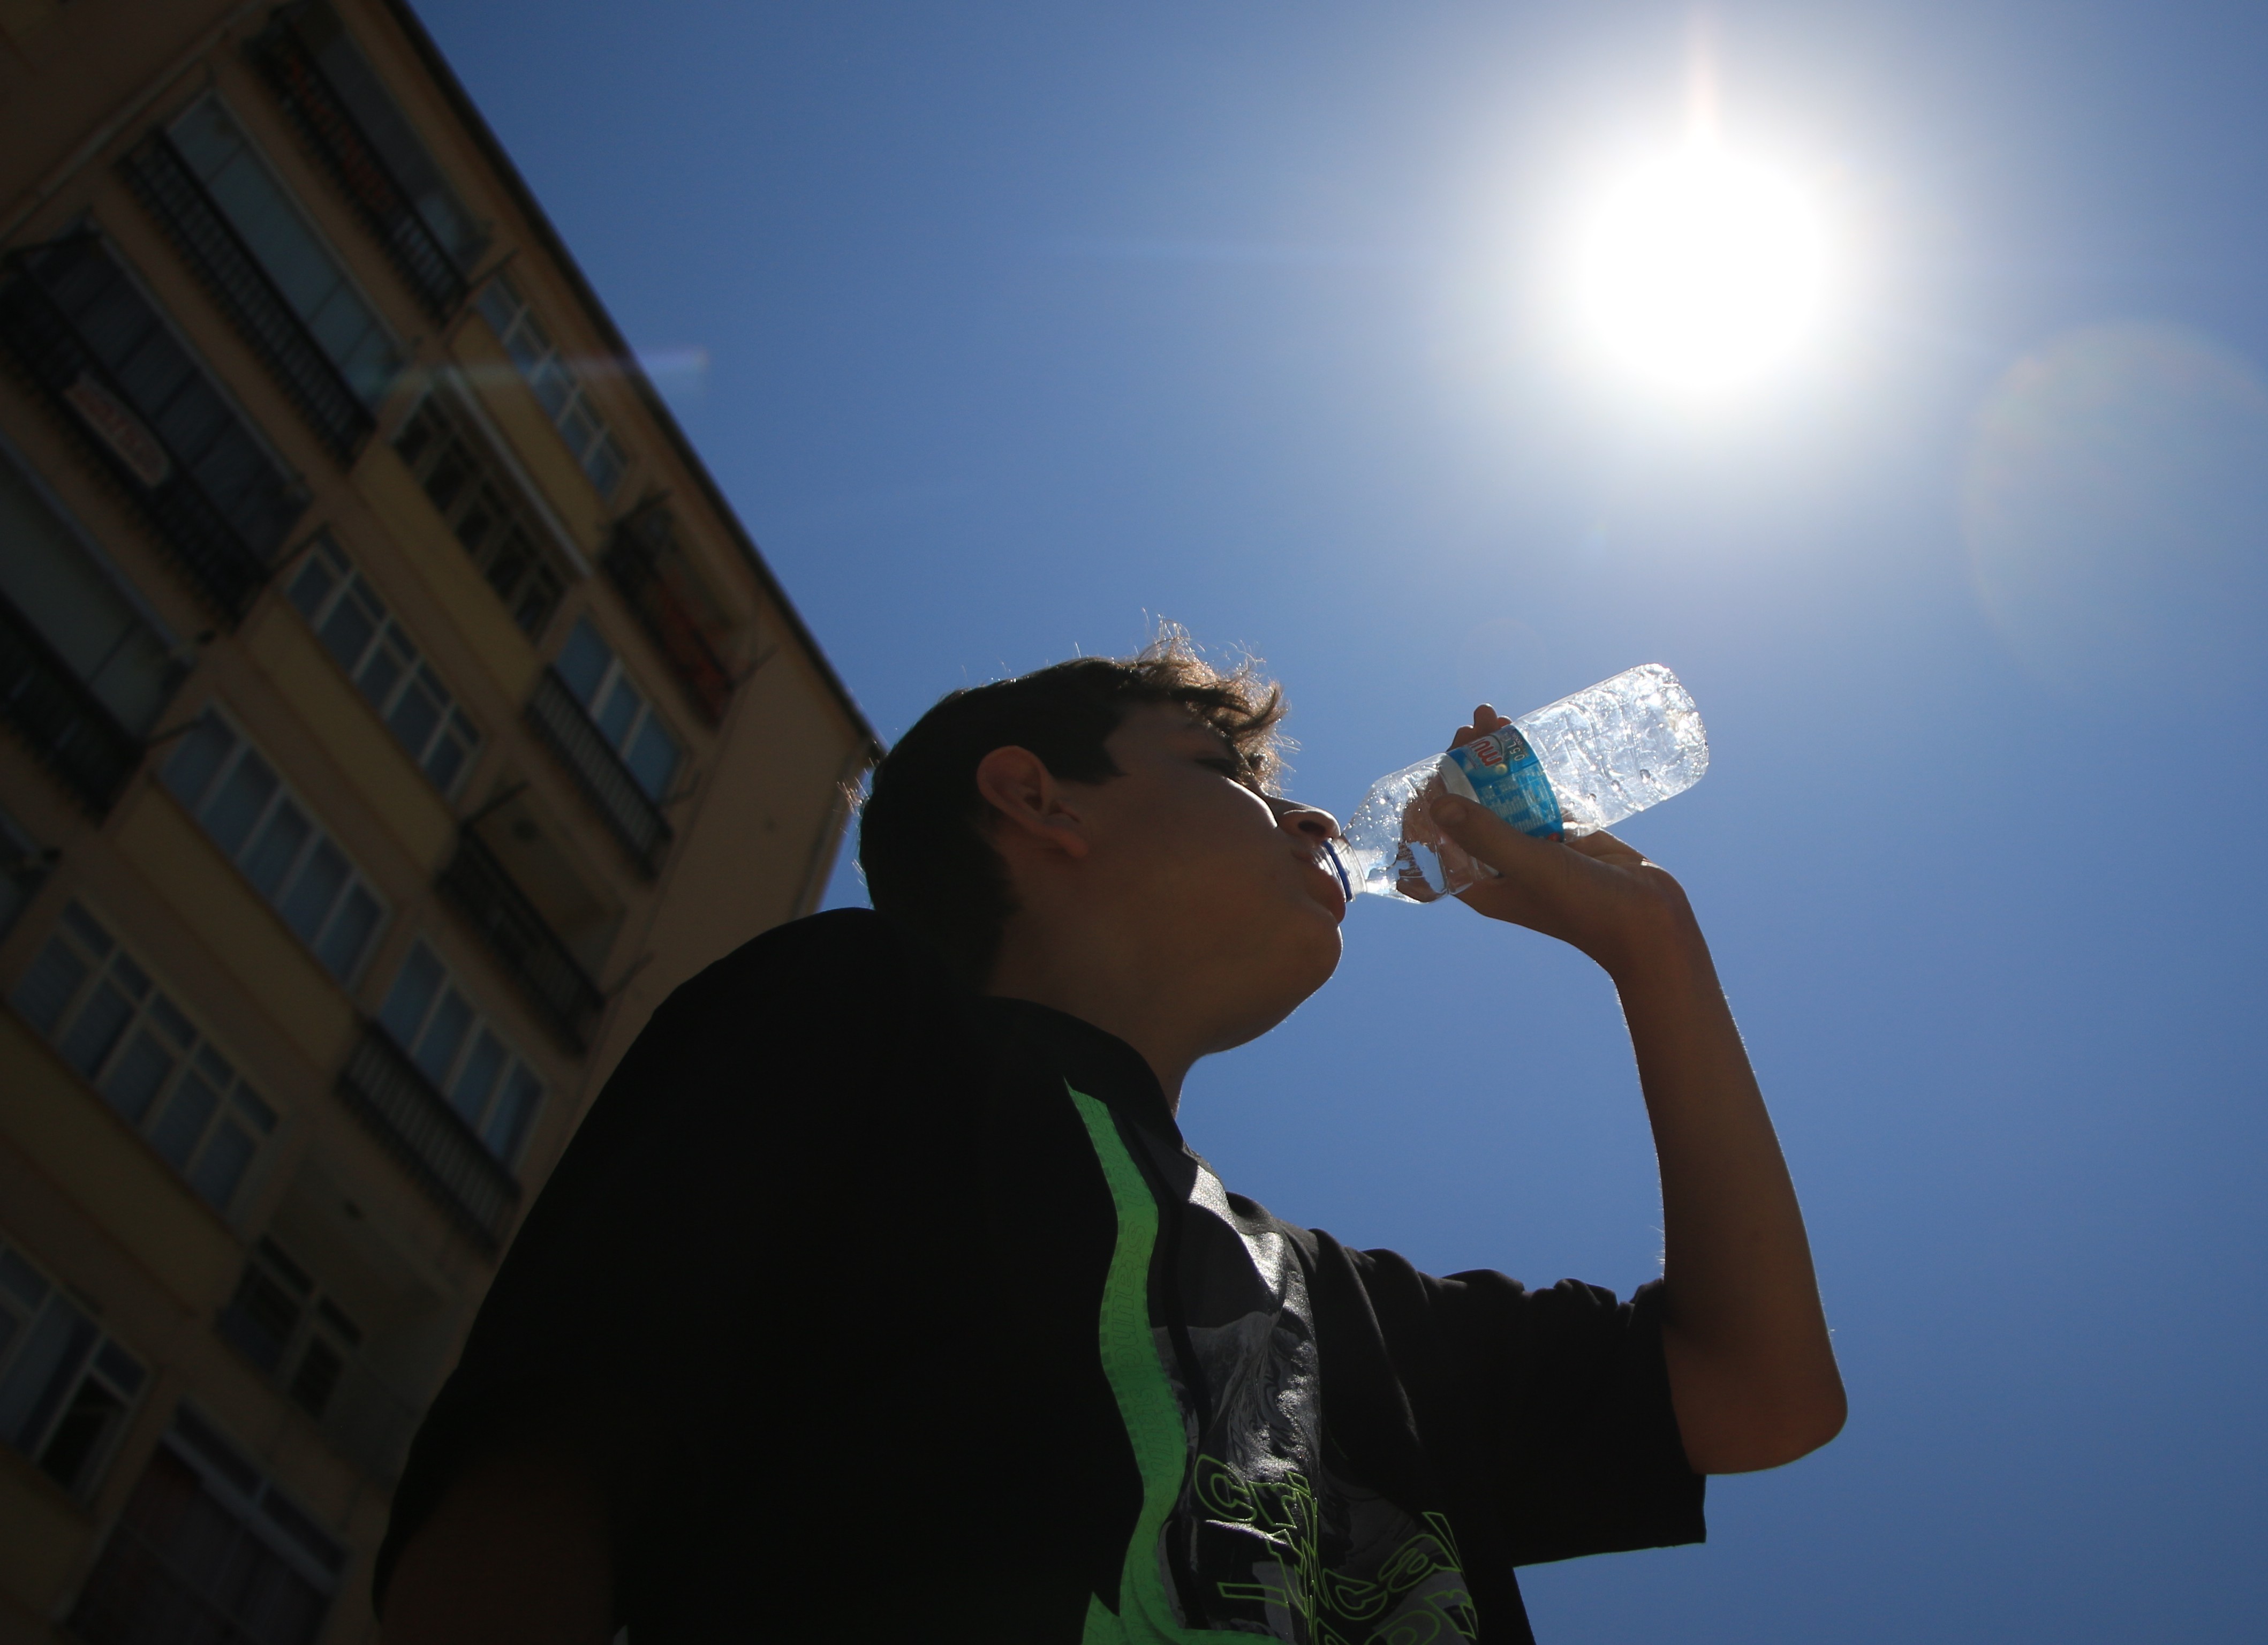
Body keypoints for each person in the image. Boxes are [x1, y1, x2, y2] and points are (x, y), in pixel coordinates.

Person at [374, 634, 1842, 1644]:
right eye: (1231, 772)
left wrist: (1655, 949)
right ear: (1035, 800)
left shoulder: (1350, 1323)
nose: (1318, 816)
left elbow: (1760, 1396)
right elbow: (540, 1488)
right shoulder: (857, 1019)